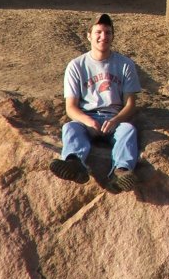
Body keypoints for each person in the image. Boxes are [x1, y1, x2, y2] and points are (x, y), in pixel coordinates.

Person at [49, 14, 141, 192]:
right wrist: (88, 121)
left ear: (113, 36)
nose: (103, 36)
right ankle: (74, 163)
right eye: (98, 32)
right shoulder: (76, 66)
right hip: (87, 118)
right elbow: (71, 107)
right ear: (89, 36)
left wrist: (115, 121)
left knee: (128, 130)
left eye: (108, 32)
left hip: (114, 119)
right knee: (70, 127)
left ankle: (121, 172)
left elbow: (130, 104)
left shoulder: (125, 64)